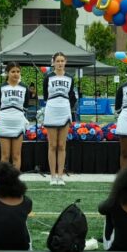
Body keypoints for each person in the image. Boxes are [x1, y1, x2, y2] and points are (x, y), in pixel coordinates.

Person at [43, 52, 76, 186]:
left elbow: (71, 94)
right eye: (58, 61)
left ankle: (60, 176)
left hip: (64, 110)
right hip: (51, 109)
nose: (60, 63)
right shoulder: (48, 77)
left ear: (65, 62)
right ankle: (52, 176)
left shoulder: (70, 78)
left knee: (62, 145)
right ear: (54, 62)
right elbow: (45, 95)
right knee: (52, 145)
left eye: (62, 61)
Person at [0, 62, 30, 171]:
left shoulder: (25, 88)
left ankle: (14, 182)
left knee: (16, 155)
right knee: (5, 156)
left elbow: (25, 106)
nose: (15, 74)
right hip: (4, 120)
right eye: (13, 71)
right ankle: (3, 182)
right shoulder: (1, 88)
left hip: (18, 121)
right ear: (7, 73)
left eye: (18, 72)